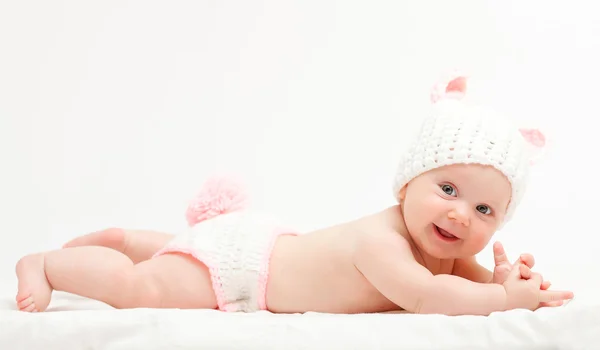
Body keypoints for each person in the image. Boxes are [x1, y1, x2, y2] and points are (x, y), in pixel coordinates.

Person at [14, 73, 573, 315]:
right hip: (240, 270)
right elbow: (432, 298)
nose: (460, 213)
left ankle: (126, 238)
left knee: (176, 249)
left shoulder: (445, 249)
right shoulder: (384, 244)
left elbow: (465, 281)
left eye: (483, 209)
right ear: (406, 184)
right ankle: (48, 264)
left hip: (263, 244)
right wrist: (503, 302)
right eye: (447, 188)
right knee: (145, 289)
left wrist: (504, 283)